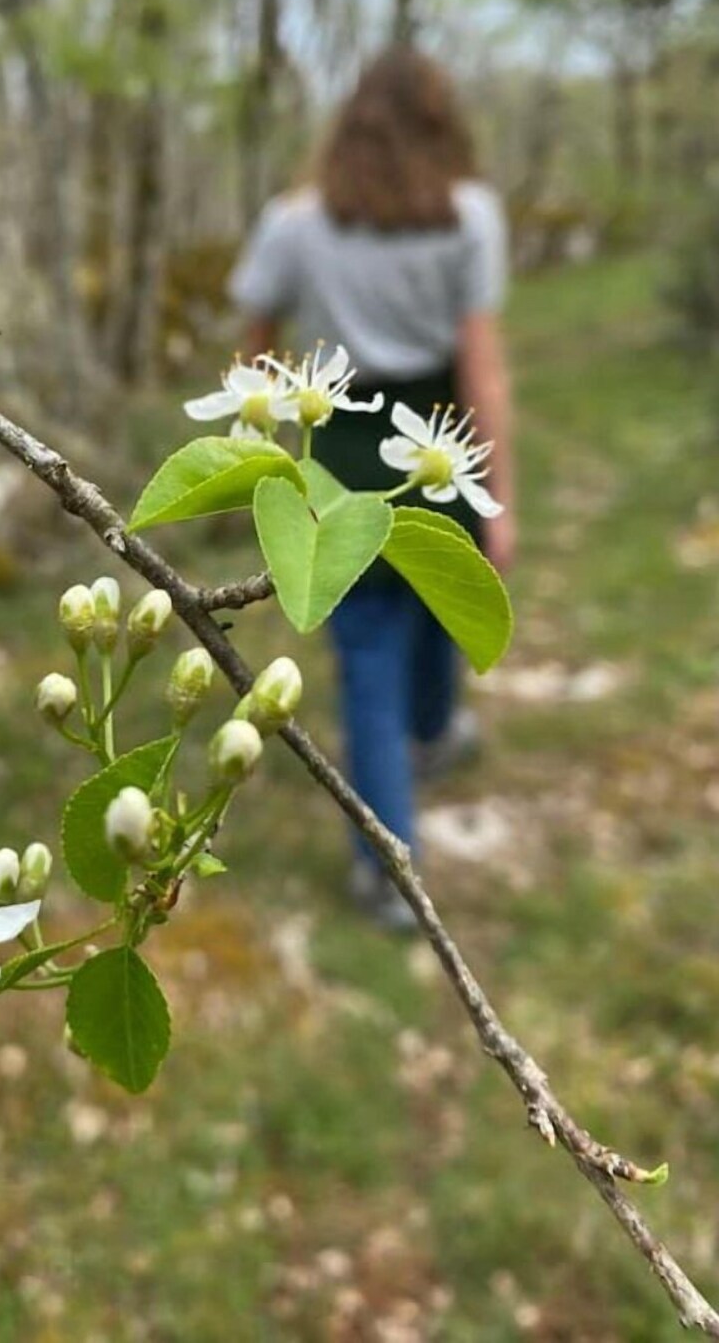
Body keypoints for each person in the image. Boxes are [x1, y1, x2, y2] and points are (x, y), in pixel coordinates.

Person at [228, 45, 515, 932]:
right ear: (443, 126)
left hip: (339, 450)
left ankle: (386, 872)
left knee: (370, 659)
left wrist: (264, 445)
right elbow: (483, 369)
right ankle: (433, 738)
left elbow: (254, 346)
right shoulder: (469, 217)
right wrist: (505, 494)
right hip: (439, 443)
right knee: (440, 608)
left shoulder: (297, 223)